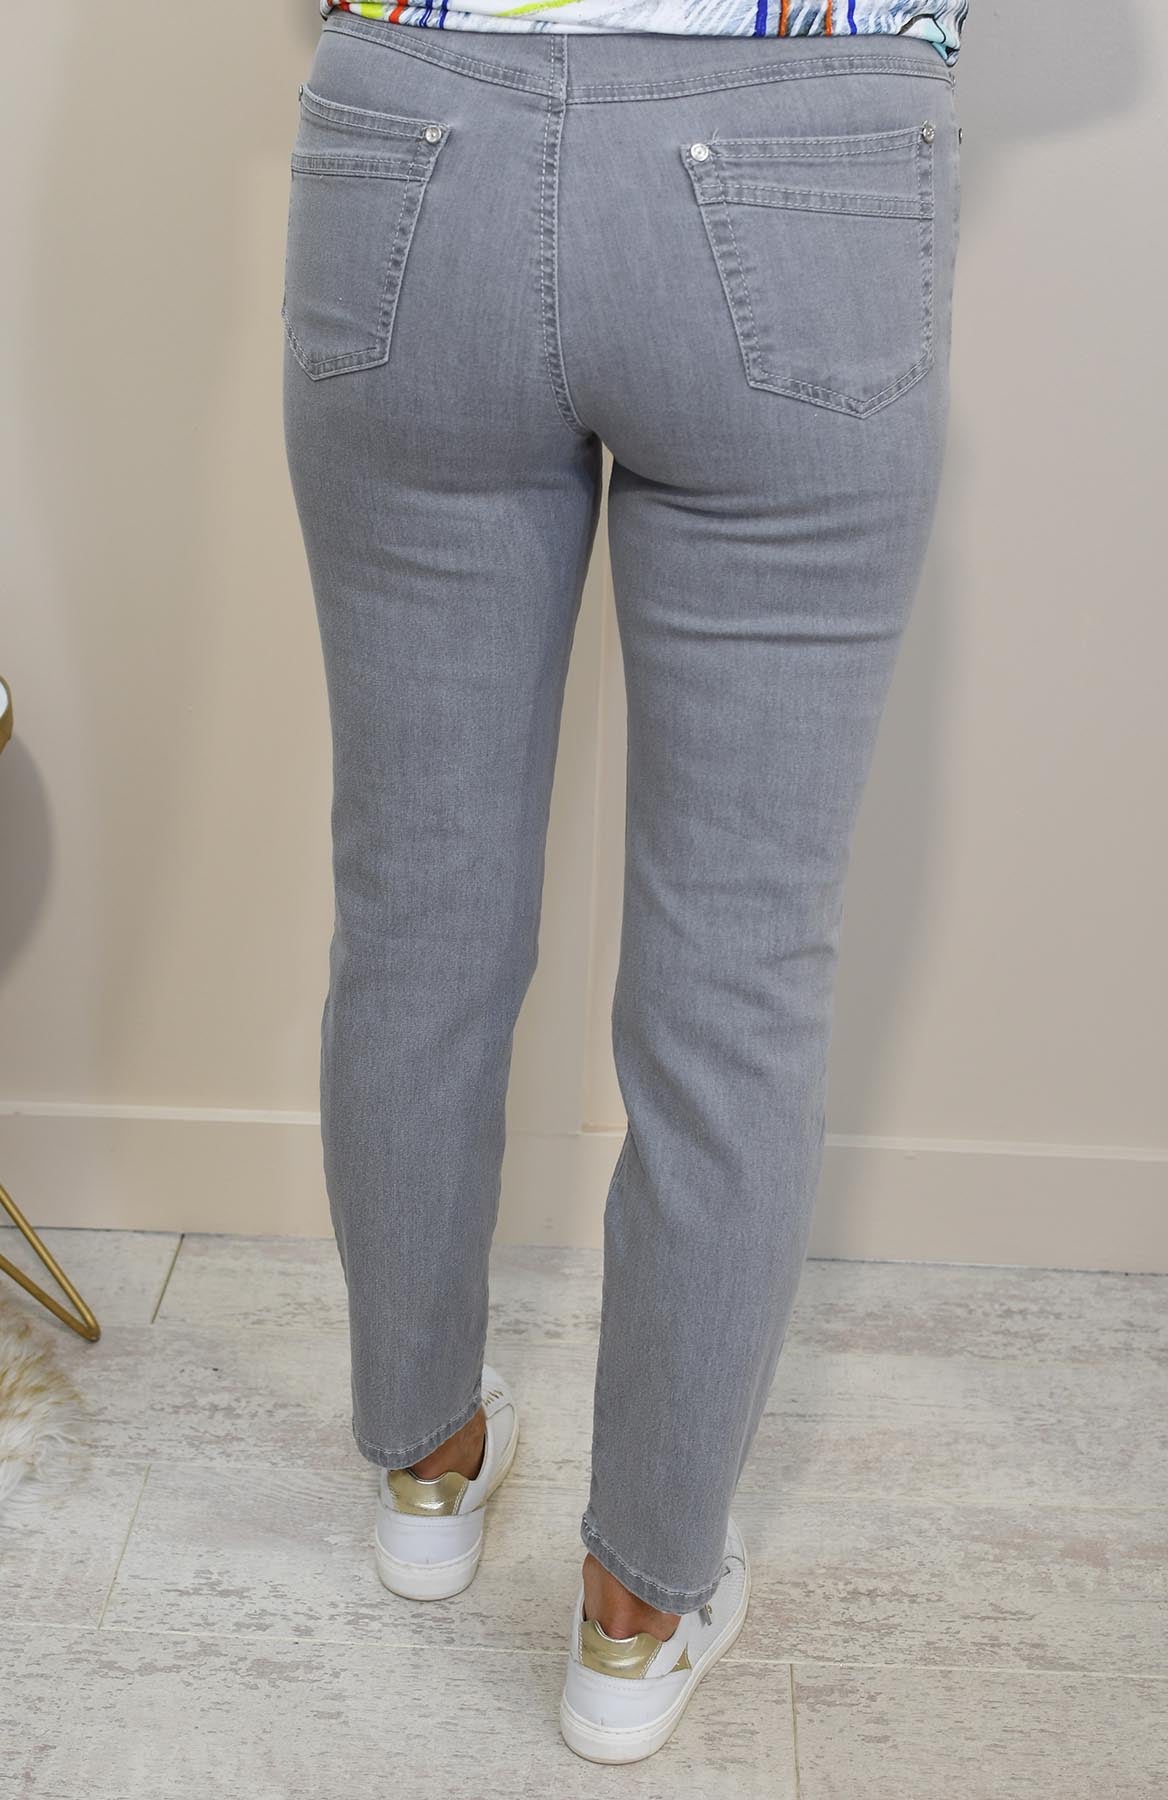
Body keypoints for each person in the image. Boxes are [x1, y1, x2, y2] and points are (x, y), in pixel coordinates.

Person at [282, 0, 966, 1765]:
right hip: (810, 149)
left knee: (416, 909)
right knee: (737, 973)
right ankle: (635, 1614)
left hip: (415, 137)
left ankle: (427, 1470)